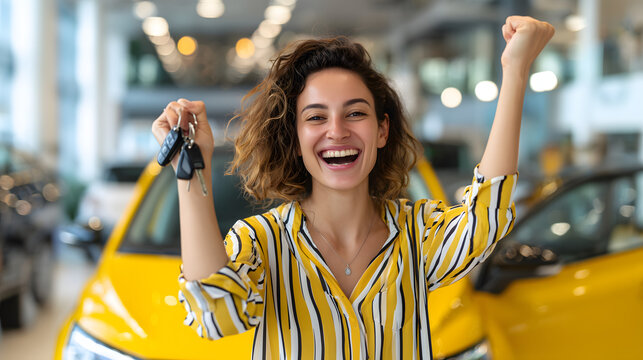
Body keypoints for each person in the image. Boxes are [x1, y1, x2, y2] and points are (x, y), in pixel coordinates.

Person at [151, 15, 554, 359]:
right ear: (294, 137)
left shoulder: (417, 235)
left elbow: (487, 216)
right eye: (315, 117)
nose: (337, 131)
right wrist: (189, 167)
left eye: (355, 113)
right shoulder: (261, 242)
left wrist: (515, 70)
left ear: (381, 130)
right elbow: (217, 315)